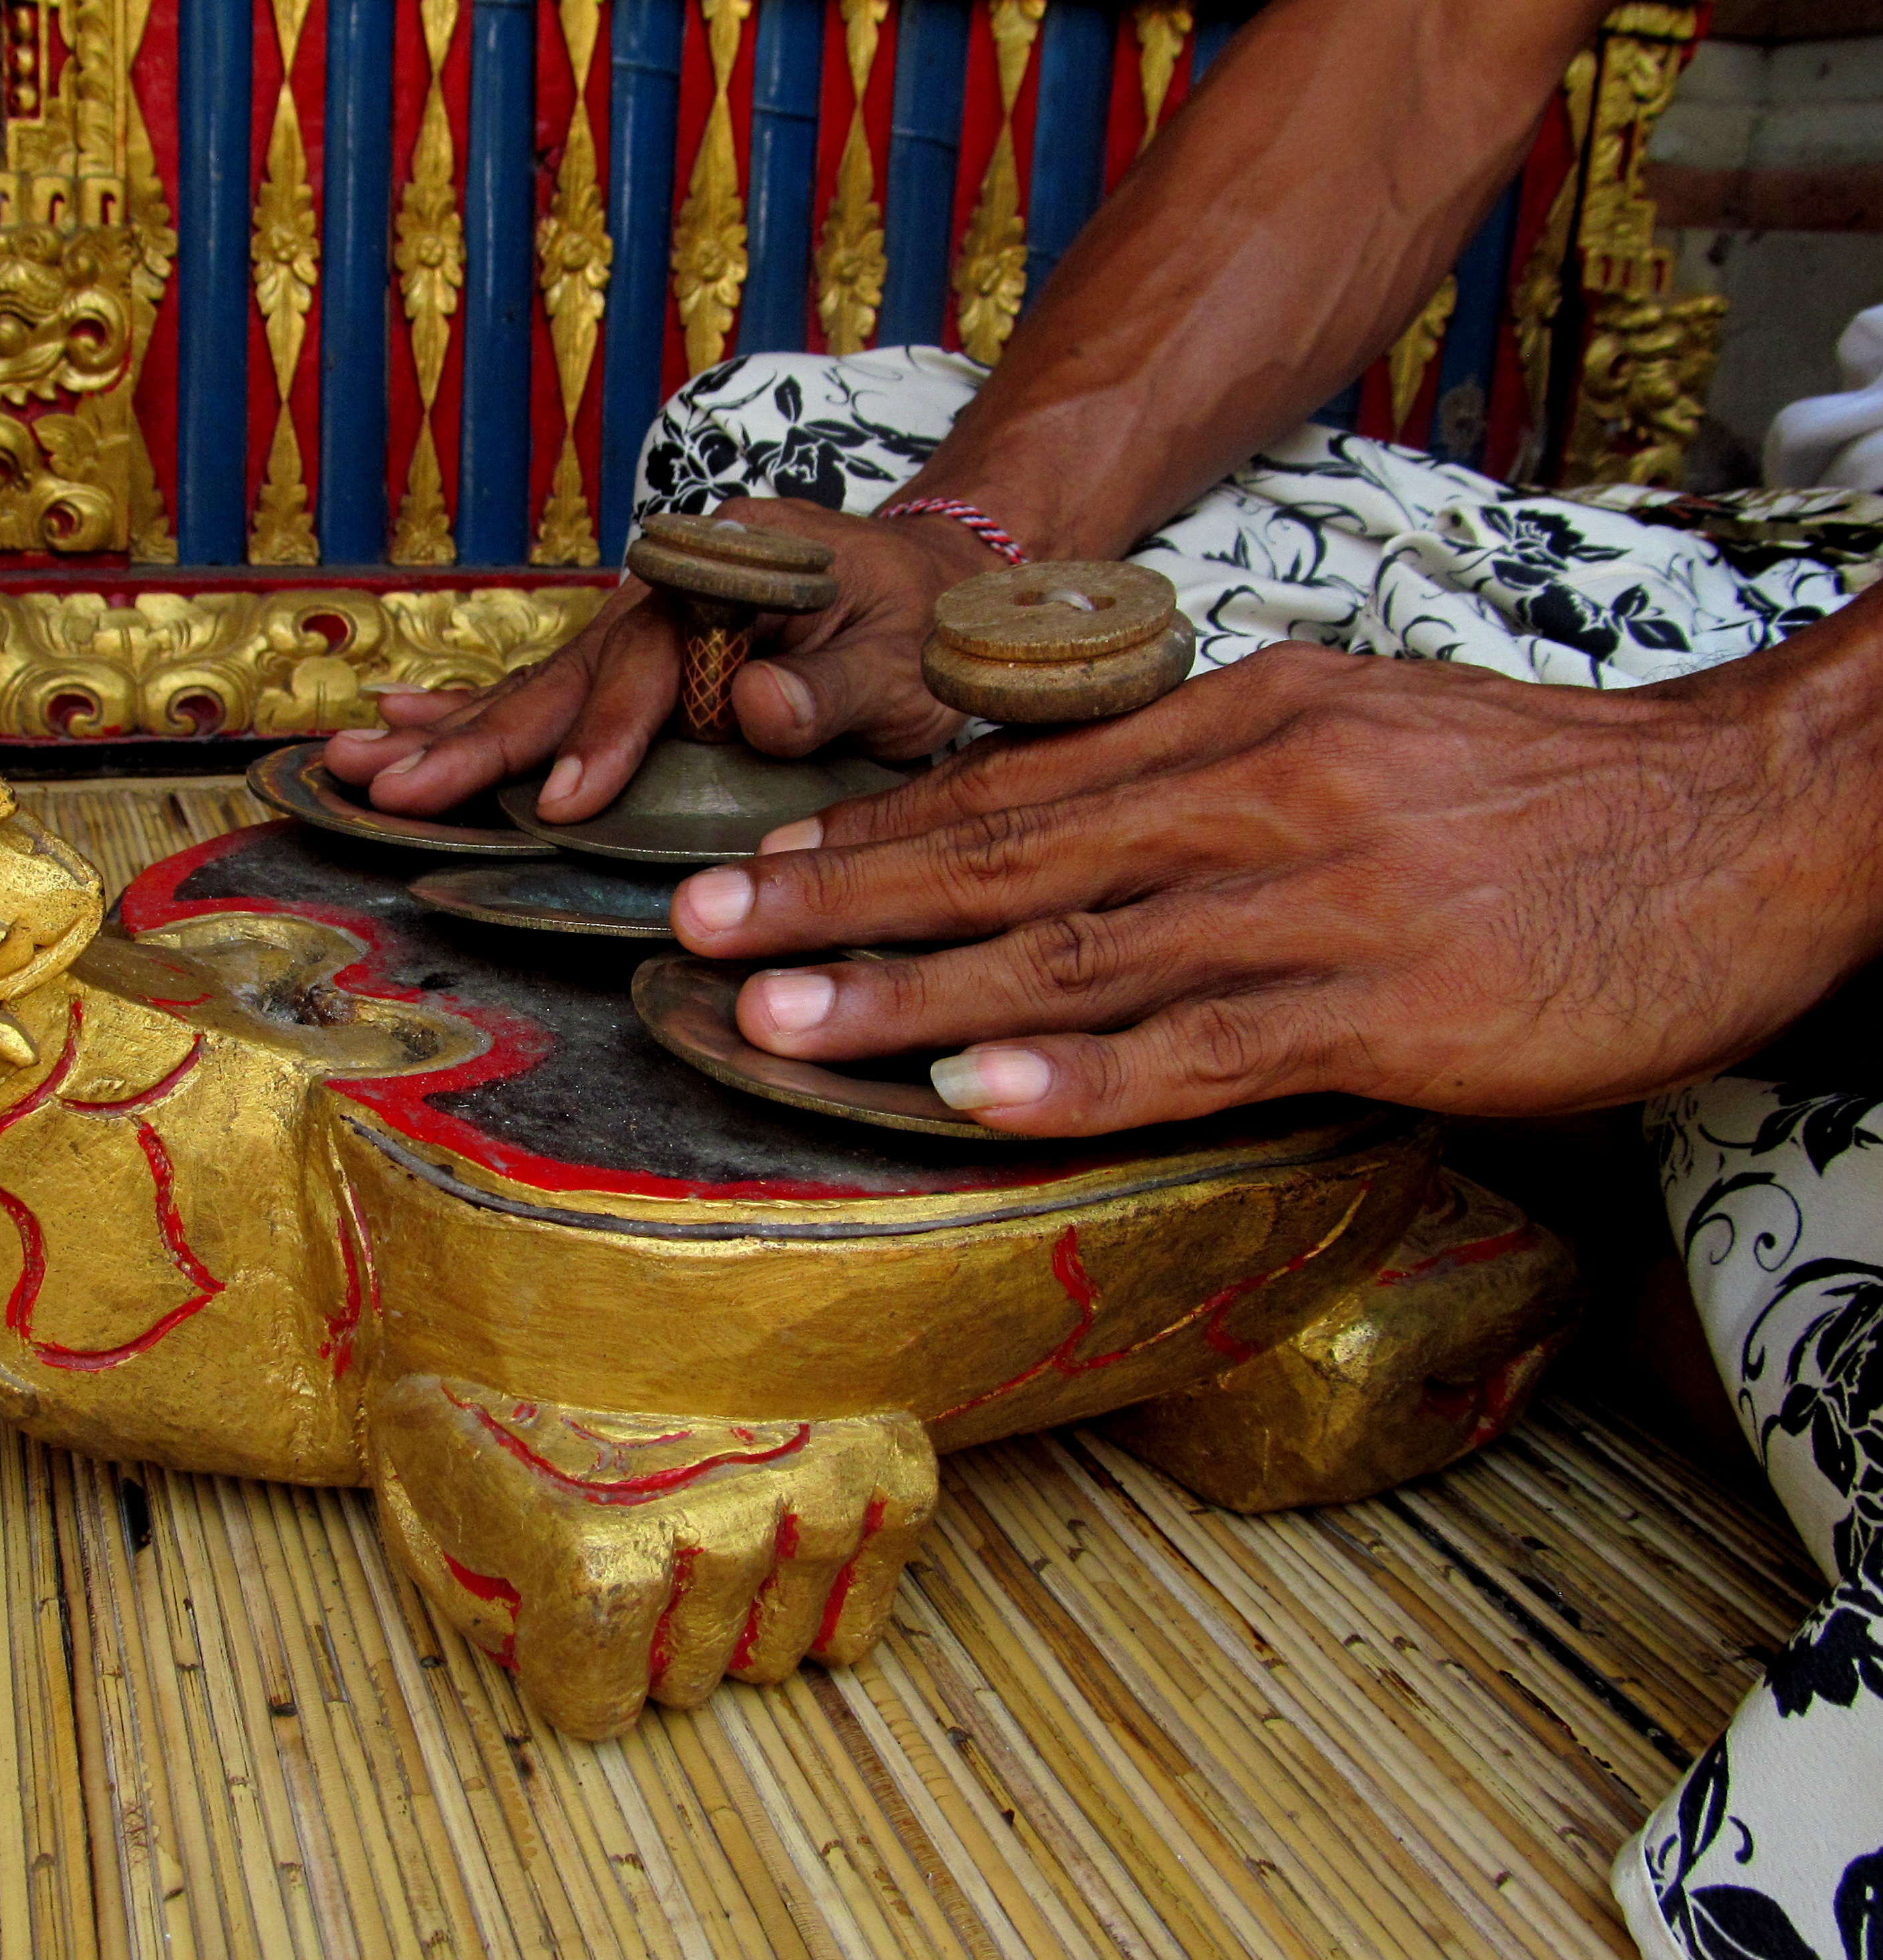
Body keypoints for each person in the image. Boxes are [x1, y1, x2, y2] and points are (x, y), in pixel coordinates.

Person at [326, 1, 1883, 1954]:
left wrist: (1787, 798)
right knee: (789, 453)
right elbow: (1424, 37)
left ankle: (1585, 1117)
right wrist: (971, 550)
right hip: (1803, 592)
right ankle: (1505, 1106)